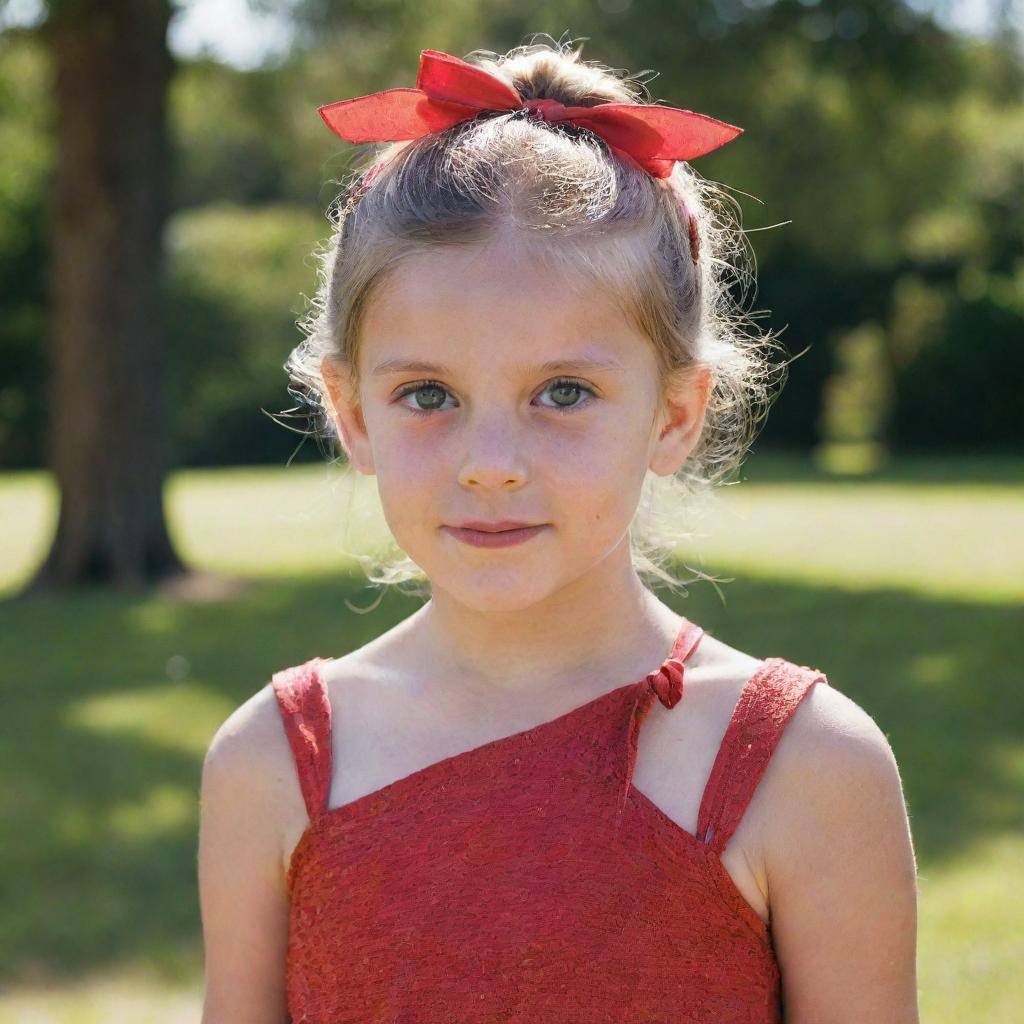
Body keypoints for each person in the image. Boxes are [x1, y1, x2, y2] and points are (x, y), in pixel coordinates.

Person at [197, 38, 919, 1024]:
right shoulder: (273, 765)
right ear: (351, 412)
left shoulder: (805, 767)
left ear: (673, 413)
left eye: (563, 391)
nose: (488, 460)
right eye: (426, 394)